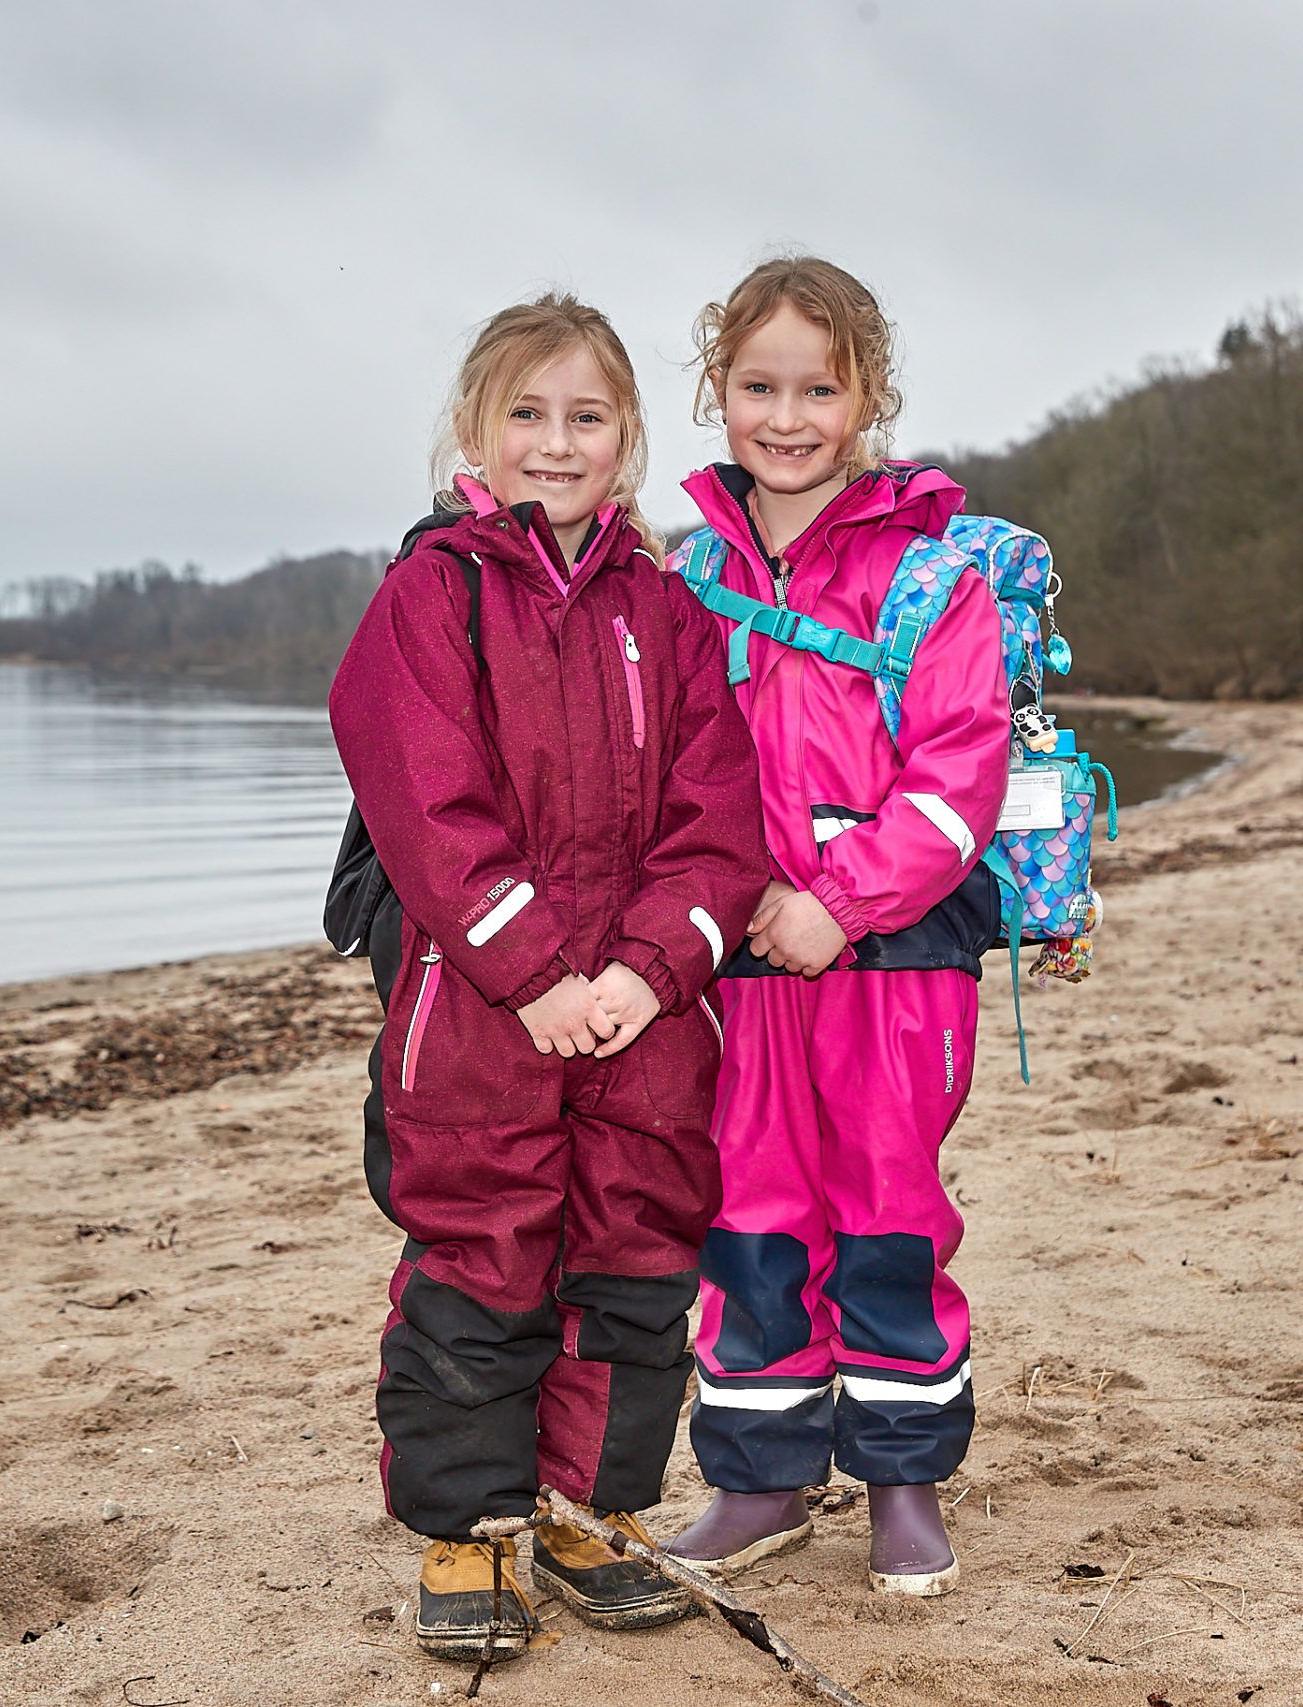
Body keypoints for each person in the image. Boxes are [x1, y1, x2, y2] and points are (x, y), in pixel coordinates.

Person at [328, 295, 767, 1662]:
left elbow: (720, 816)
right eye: (528, 414)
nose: (555, 442)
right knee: (483, 1255)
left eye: (585, 418)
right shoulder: (432, 592)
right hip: (477, 1013)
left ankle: (587, 1511)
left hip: (641, 1021)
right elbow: (424, 798)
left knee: (634, 1260)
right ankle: (469, 1534)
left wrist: (648, 973)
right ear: (475, 430)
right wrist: (531, 975)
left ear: (626, 439)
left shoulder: (668, 612)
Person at [663, 257, 1009, 1597]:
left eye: (820, 387)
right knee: (749, 1216)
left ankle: (904, 1484)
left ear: (868, 394)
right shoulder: (687, 578)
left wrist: (842, 900)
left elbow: (960, 771)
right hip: (739, 962)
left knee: (888, 1212)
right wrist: (740, 900)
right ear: (718, 395)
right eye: (759, 386)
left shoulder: (933, 575)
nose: (789, 415)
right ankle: (757, 1484)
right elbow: (670, 766)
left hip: (897, 959)